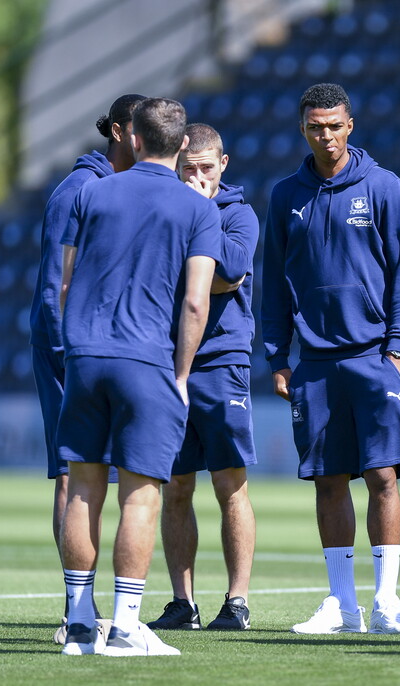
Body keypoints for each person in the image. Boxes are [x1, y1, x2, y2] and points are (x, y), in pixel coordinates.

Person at [56, 97, 223, 657]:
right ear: (181, 146)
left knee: (82, 487)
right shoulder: (198, 208)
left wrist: (77, 343)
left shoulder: (92, 191)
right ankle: (126, 625)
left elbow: (65, 282)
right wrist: (180, 375)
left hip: (83, 354)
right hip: (145, 360)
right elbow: (196, 304)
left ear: (132, 138)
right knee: (140, 495)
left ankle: (80, 624)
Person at [261, 82, 400, 635]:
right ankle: (341, 605)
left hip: (375, 355)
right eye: (315, 127)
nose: (325, 136)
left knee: (382, 475)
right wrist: (276, 356)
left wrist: (398, 347)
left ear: (349, 126)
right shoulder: (286, 195)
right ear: (302, 129)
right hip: (314, 362)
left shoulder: (384, 187)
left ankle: (386, 603)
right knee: (328, 480)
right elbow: (274, 288)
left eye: (334, 126)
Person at [28, 93, 145, 642]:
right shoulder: (80, 188)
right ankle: (76, 607)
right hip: (71, 351)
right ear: (120, 132)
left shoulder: (119, 188)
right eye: (143, 130)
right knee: (74, 472)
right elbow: (57, 283)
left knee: (96, 473)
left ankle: (90, 608)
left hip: (104, 348)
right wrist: (69, 352)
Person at [147, 123, 259, 632]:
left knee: (229, 484)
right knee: (175, 487)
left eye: (206, 169)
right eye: (188, 169)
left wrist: (199, 215)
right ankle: (181, 601)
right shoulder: (162, 210)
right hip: (168, 364)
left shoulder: (238, 214)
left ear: (223, 165)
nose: (196, 178)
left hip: (221, 363)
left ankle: (237, 601)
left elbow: (226, 274)